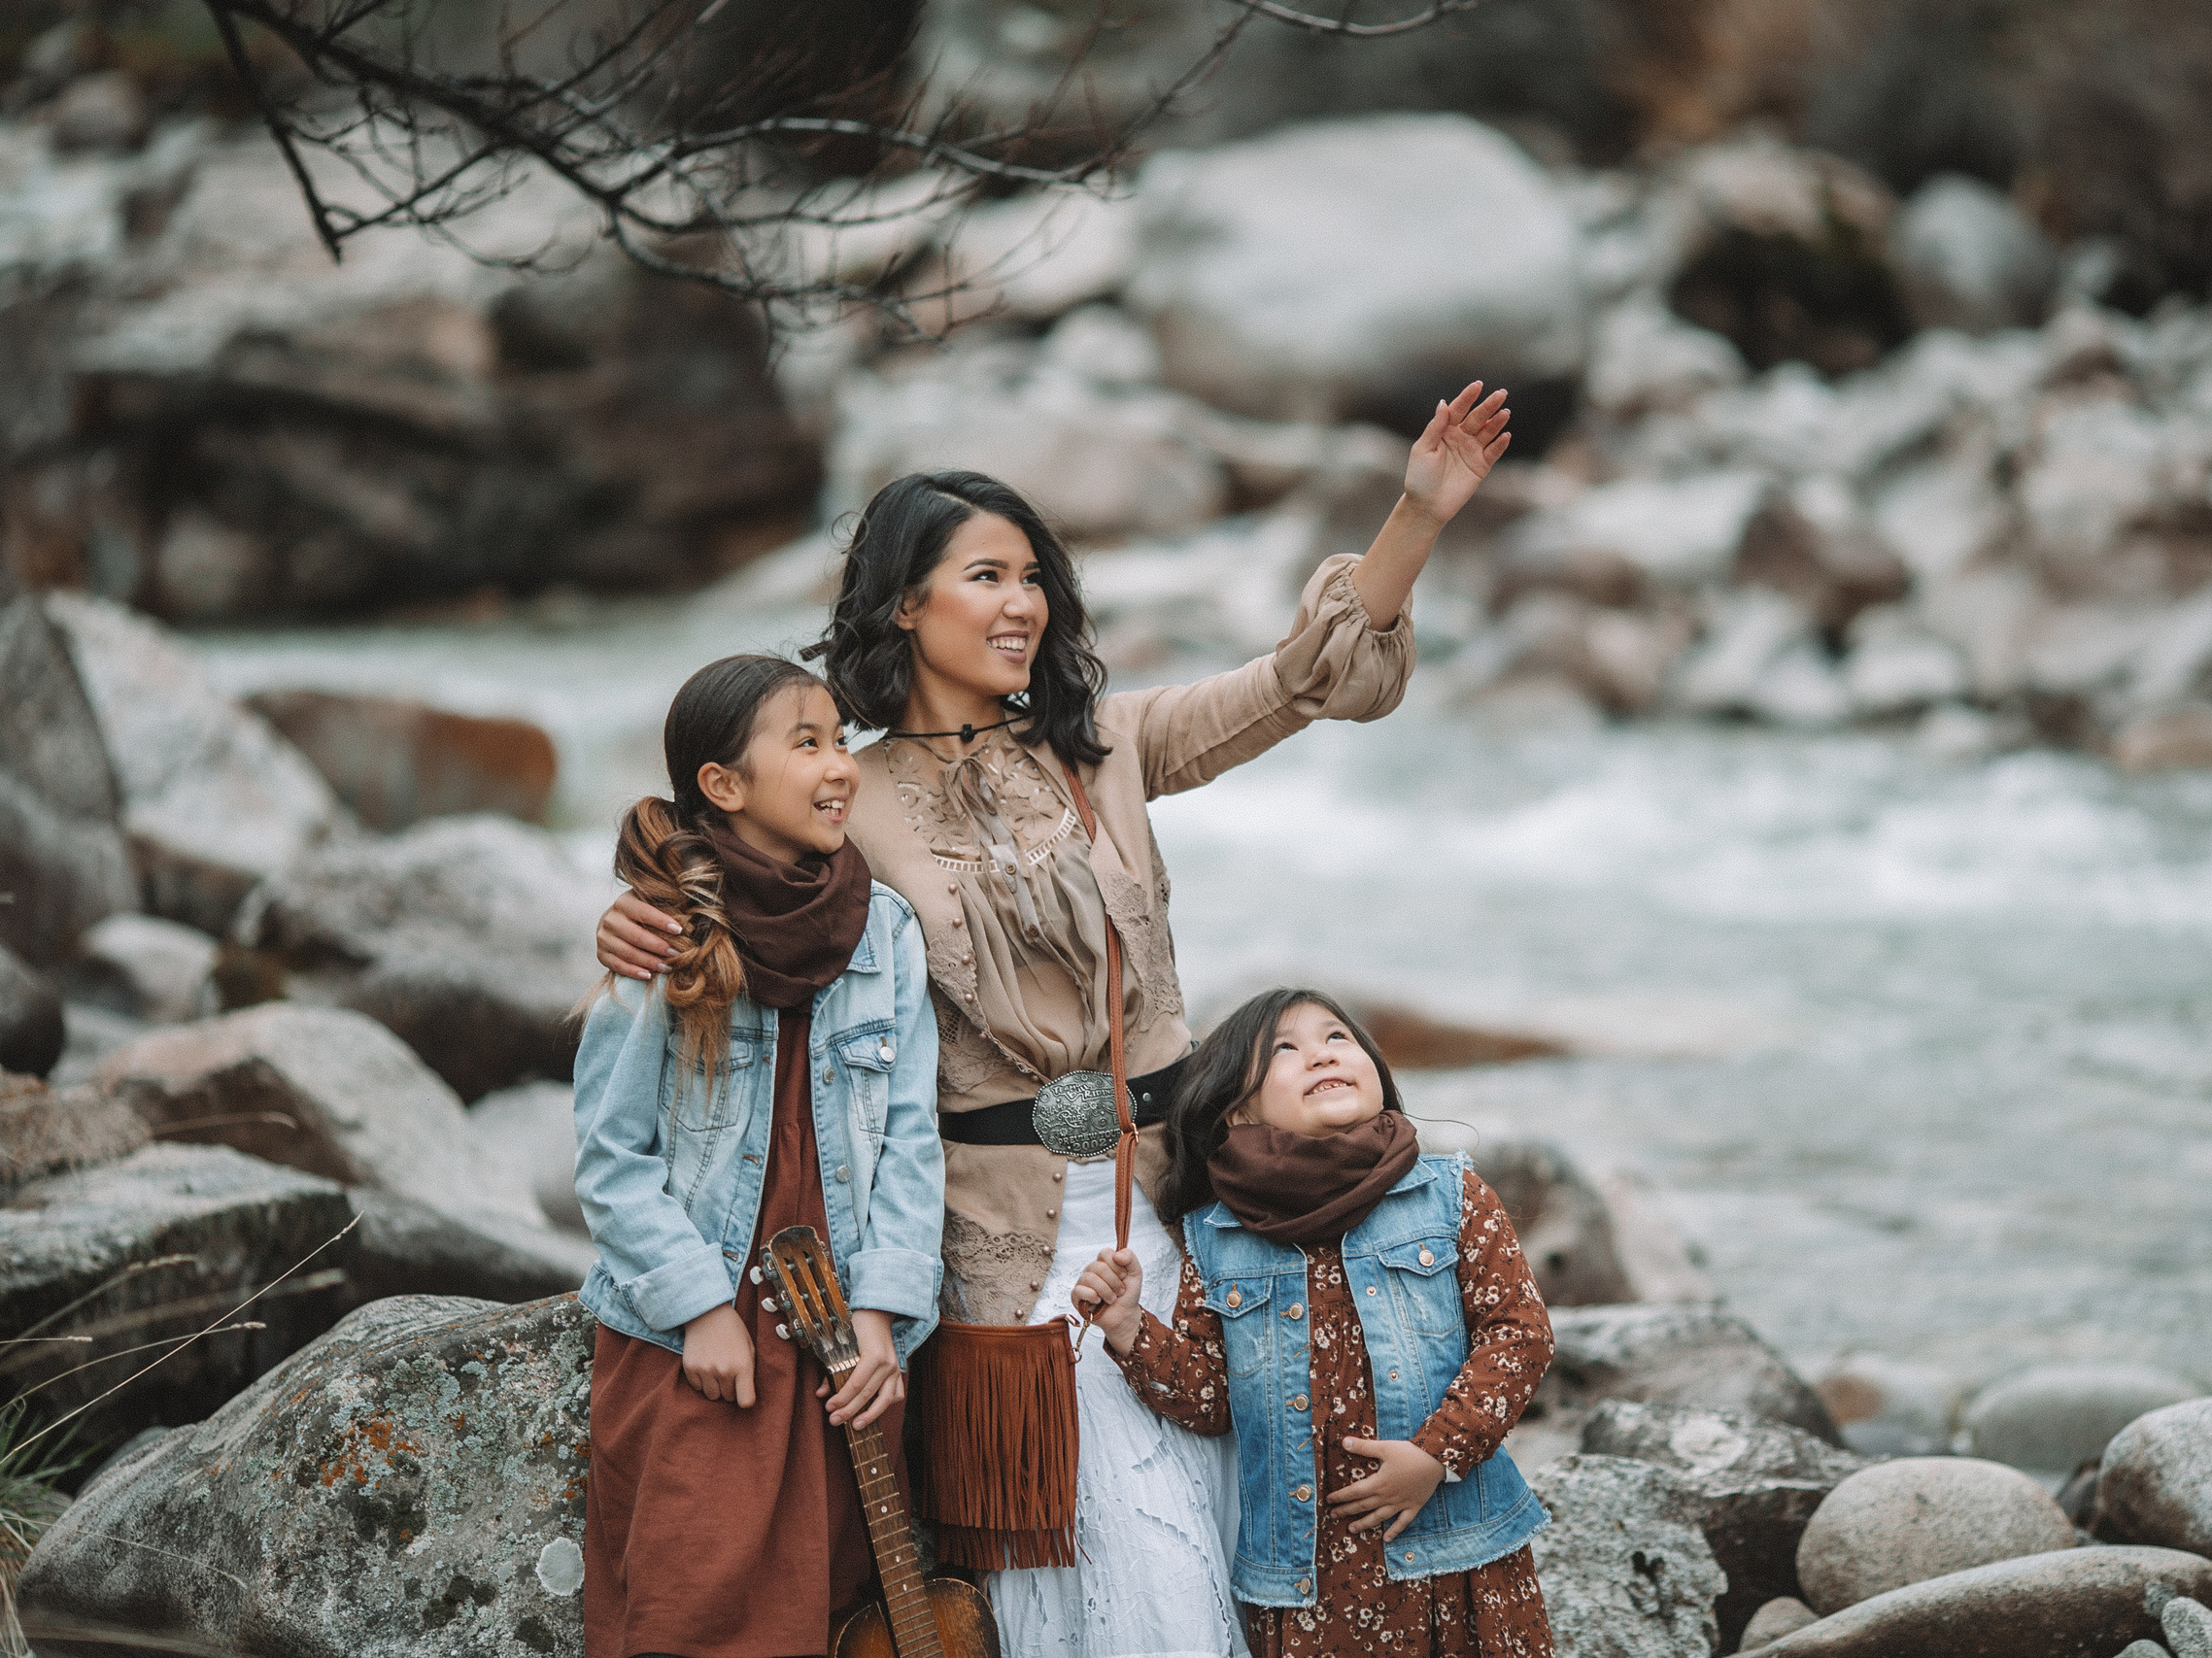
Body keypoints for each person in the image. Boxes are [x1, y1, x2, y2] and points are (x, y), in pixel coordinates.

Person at [596, 383, 1514, 1658]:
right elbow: (723, 873)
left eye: (1034, 576)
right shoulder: (850, 793)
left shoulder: (1109, 744)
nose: (1022, 602)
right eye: (986, 575)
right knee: (1086, 1560)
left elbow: (1307, 680)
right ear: (903, 604)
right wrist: (635, 920)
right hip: (998, 1242)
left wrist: (1416, 515)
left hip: (1183, 1207)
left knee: (1228, 1528)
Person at [572, 654, 946, 1658]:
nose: (840, 766)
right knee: (689, 1597)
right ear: (723, 785)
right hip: (698, 1338)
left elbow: (910, 1140)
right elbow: (610, 1154)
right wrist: (697, 1309)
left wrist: (882, 1314)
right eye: (807, 743)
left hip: (838, 1333)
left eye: (841, 741)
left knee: (834, 1603)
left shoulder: (885, 932)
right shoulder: (665, 934)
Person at [1072, 989, 1554, 1658]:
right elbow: (1213, 1400)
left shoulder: (1450, 1193)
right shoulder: (1216, 1238)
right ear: (1238, 1109)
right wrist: (1129, 1327)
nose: (1321, 1054)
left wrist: (1434, 1455)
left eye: (1337, 1037)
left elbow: (1518, 1332)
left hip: (1457, 1549)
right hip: (1310, 1581)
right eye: (1285, 1049)